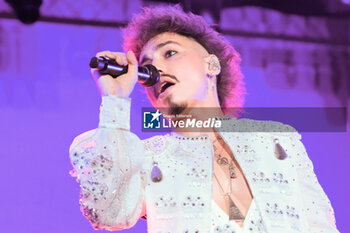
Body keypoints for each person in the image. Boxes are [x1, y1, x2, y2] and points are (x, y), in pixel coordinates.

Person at [69, 5, 339, 233]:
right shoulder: (147, 159)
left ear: (211, 65)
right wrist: (115, 102)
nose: (156, 69)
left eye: (170, 53)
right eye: (147, 65)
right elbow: (108, 211)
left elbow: (321, 225)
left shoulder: (277, 140)